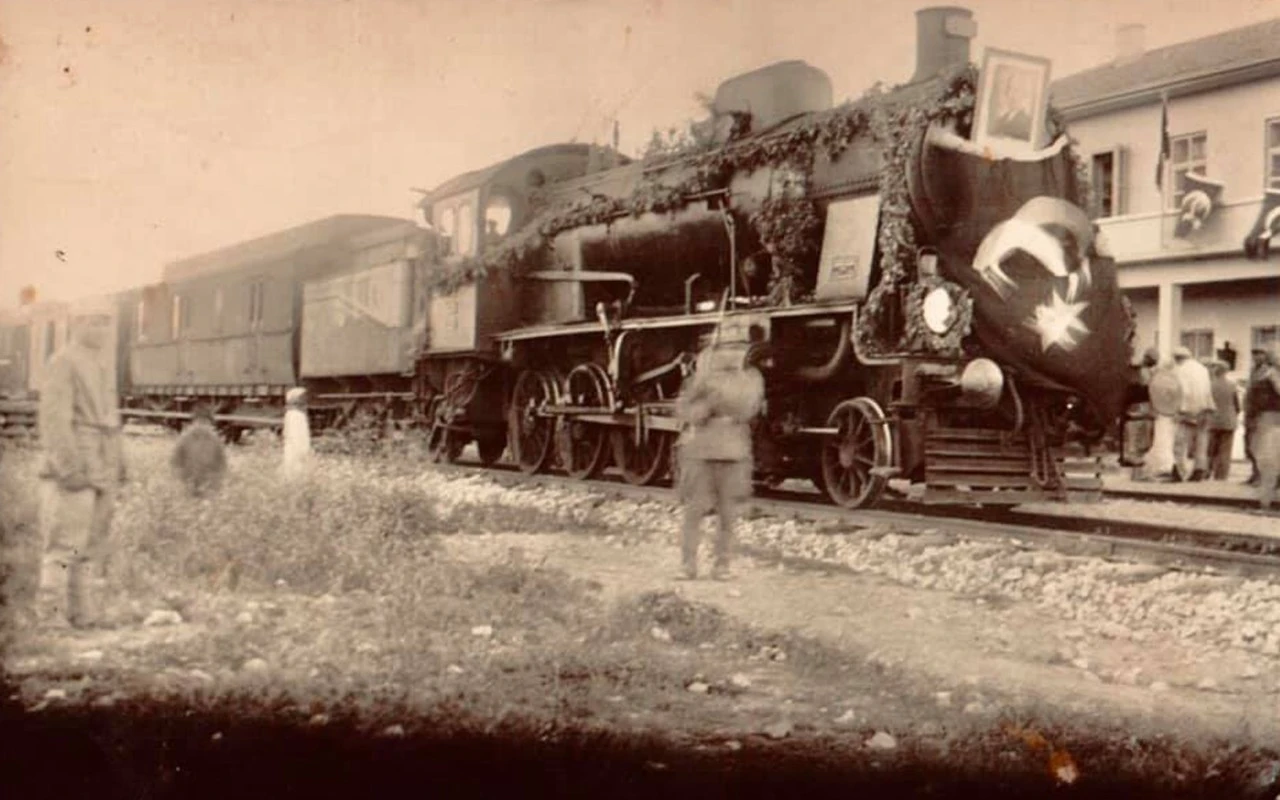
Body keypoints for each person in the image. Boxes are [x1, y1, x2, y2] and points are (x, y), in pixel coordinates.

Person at [33, 297, 127, 630]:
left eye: (105, 322)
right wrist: (68, 467)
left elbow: (110, 418)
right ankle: (50, 613)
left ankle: (83, 613)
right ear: (76, 324)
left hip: (102, 460)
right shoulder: (63, 361)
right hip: (76, 461)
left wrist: (119, 464)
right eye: (92, 322)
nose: (100, 329)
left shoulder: (101, 362)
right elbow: (54, 420)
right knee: (64, 542)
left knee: (90, 543)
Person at [674, 328, 765, 581]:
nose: (731, 355)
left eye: (736, 349)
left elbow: (750, 408)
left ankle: (722, 565)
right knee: (694, 512)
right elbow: (684, 409)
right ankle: (688, 564)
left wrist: (719, 402)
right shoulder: (702, 377)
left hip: (733, 452)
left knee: (728, 515)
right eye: (727, 349)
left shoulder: (752, 378)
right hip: (702, 452)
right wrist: (706, 407)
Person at [1171, 347, 1214, 482]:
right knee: (1201, 440)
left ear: (1177, 358)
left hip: (1187, 409)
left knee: (1180, 441)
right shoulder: (1203, 369)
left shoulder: (1180, 370)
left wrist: (1180, 409)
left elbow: (1183, 390)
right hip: (1204, 408)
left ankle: (1179, 470)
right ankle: (1199, 469)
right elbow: (1207, 389)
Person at [171, 405, 227, 497]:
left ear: (210, 425)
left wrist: (215, 483)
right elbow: (176, 462)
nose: (201, 425)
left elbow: (221, 465)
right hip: (188, 483)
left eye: (205, 423)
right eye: (199, 422)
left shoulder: (215, 441)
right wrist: (183, 480)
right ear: (193, 423)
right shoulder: (185, 439)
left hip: (208, 486)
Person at [1251, 347, 1280, 511]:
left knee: (1268, 459)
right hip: (1270, 419)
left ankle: (1266, 501)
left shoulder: (1266, 375)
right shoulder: (1270, 375)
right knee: (1269, 459)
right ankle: (1266, 500)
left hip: (1269, 419)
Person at [1207, 360, 1240, 480]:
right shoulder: (1232, 385)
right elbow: (1237, 405)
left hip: (1213, 420)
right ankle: (1221, 474)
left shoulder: (1210, 385)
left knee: (1211, 449)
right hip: (1228, 420)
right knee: (1225, 449)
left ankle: (1207, 471)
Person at [1244, 346, 1271, 486]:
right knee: (1250, 444)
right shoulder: (1252, 370)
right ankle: (1254, 473)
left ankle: (1262, 476)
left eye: (1260, 354)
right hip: (1250, 412)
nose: (1256, 357)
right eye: (1254, 354)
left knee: (1261, 445)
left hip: (1262, 412)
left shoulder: (1268, 371)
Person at [281, 387, 312, 479]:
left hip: (291, 447)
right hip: (297, 449)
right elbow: (299, 436)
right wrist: (303, 451)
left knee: (291, 465)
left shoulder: (290, 414)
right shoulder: (297, 416)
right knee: (297, 467)